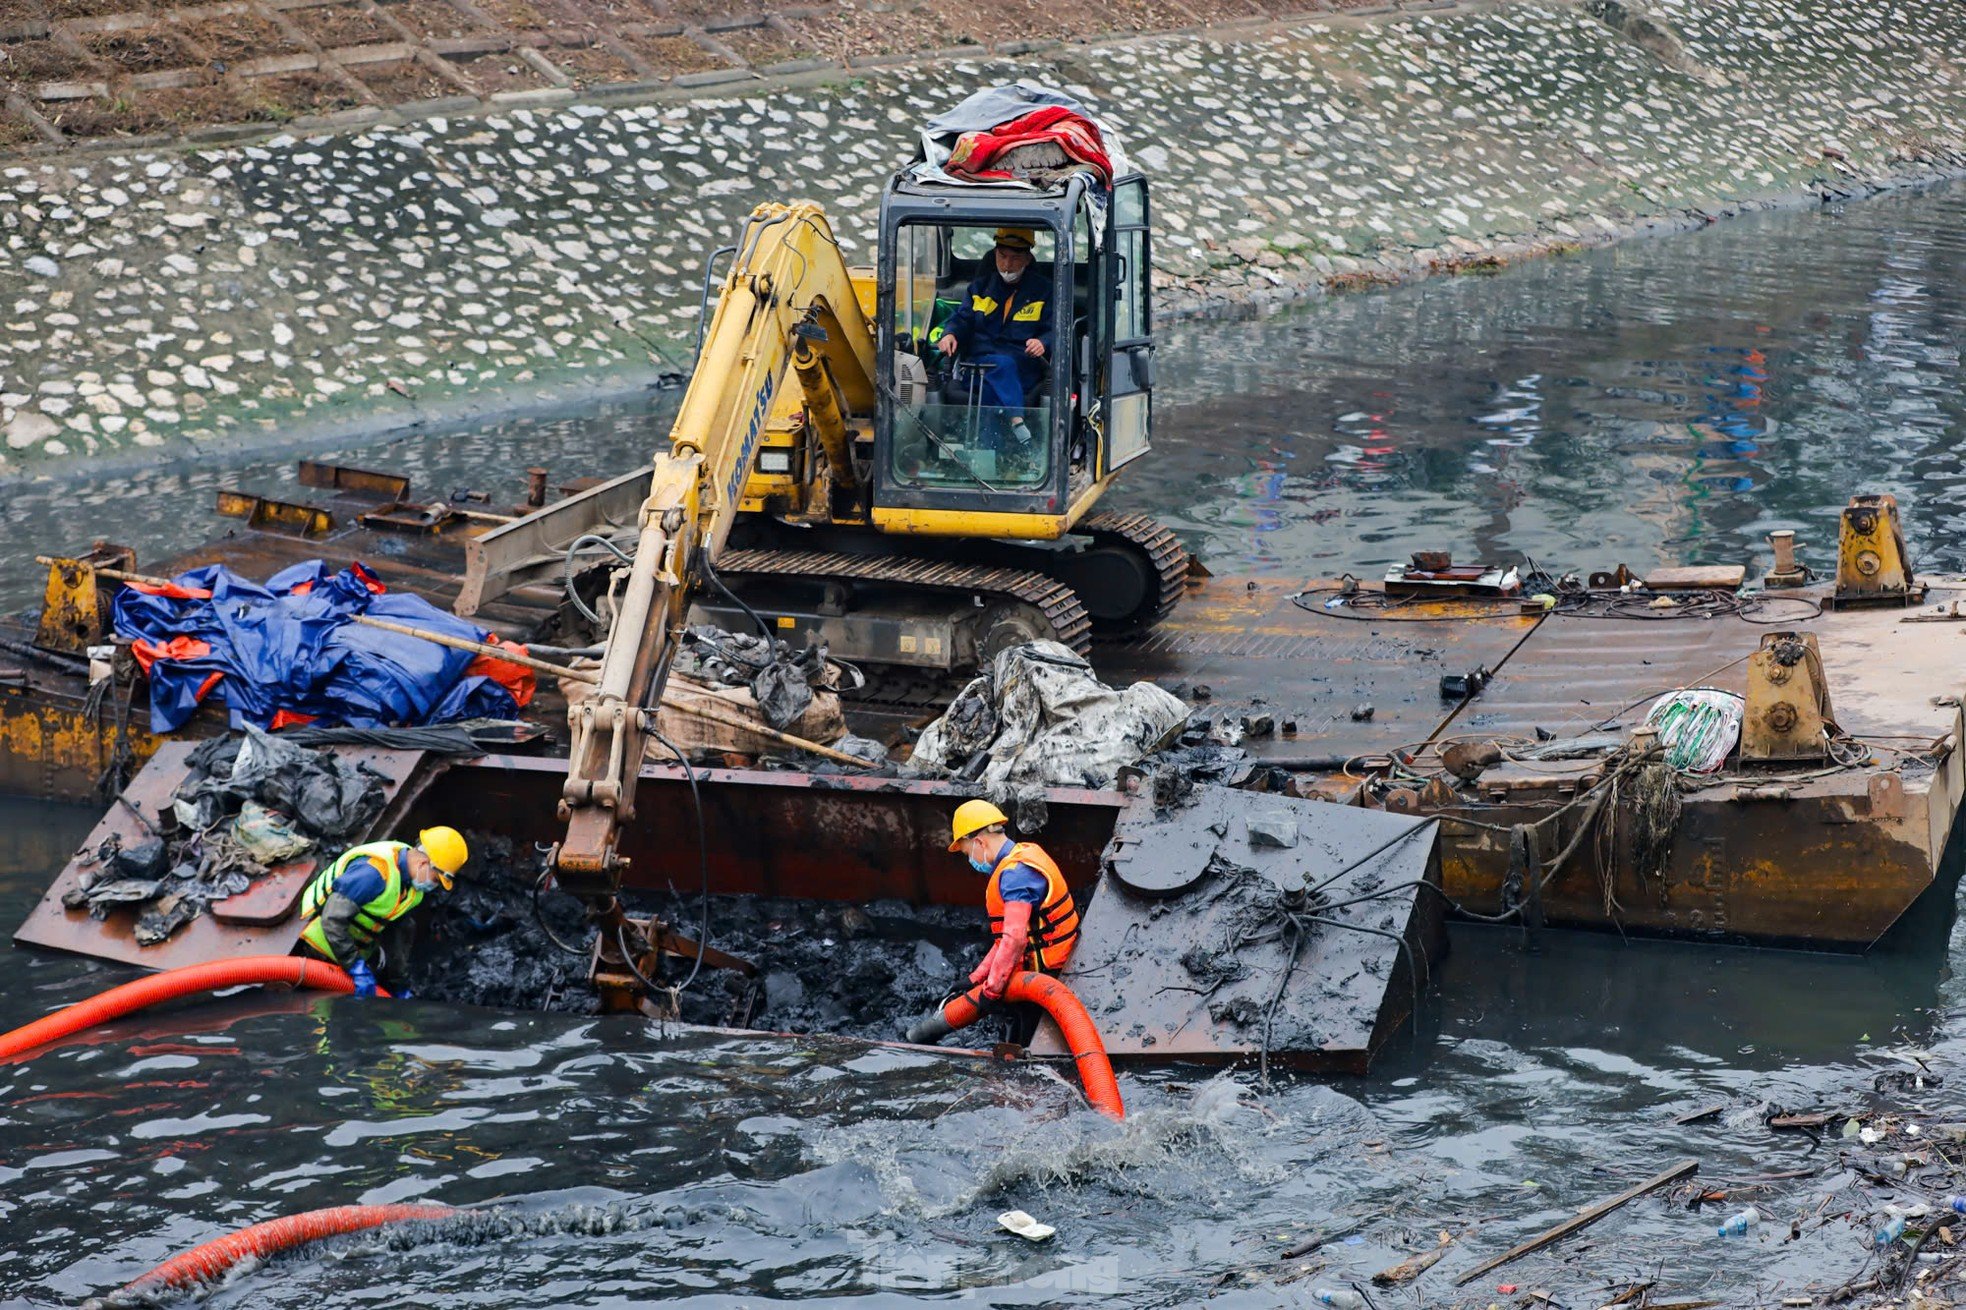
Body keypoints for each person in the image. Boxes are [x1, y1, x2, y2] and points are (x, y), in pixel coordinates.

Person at [295, 826, 468, 999]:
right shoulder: (373, 874)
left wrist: (397, 983)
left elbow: (399, 935)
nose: (433, 886)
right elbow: (332, 920)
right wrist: (355, 966)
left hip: (351, 951)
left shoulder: (412, 889)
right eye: (436, 879)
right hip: (318, 947)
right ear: (423, 863)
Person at [934, 227, 1056, 449]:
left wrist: (1042, 342)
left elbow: (1055, 330)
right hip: (978, 368)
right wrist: (950, 334)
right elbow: (961, 319)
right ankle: (1018, 426)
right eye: (1002, 257)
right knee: (1001, 365)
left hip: (1023, 370)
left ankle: (986, 454)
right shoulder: (979, 288)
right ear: (994, 254)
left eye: (1015, 258)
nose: (1007, 265)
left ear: (1027, 259)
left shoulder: (1044, 291)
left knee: (993, 388)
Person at [947, 799, 1079, 999]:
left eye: (968, 853)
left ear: (979, 842)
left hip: (1054, 973)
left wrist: (991, 992)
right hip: (1067, 956)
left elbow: (1014, 940)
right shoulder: (1025, 854)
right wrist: (975, 978)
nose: (971, 860)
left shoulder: (1015, 875)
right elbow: (1004, 939)